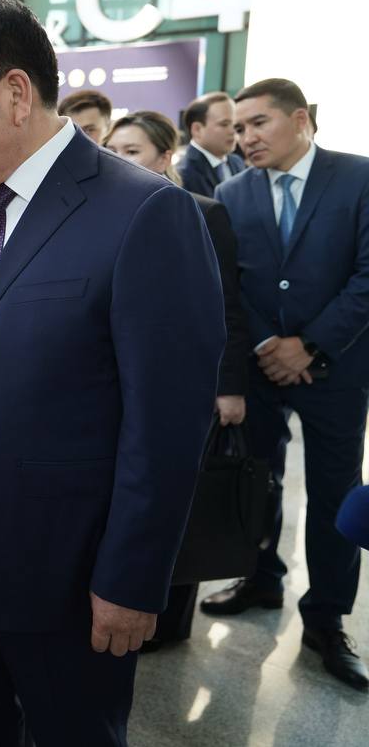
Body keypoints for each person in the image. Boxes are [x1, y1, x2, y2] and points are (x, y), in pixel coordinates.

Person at [0, 0, 224, 746]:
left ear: (15, 92)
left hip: (69, 583)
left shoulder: (145, 213)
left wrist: (132, 578)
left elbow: (166, 427)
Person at [206, 78, 369, 691]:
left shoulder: (358, 178)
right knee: (258, 482)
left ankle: (326, 619)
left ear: (300, 120)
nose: (245, 137)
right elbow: (231, 285)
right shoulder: (232, 192)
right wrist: (265, 347)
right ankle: (259, 578)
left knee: (333, 495)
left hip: (338, 368)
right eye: (238, 128)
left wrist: (310, 344)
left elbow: (367, 276)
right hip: (260, 369)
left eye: (258, 123)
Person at [103, 110, 252, 648]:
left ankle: (170, 619)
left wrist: (228, 386)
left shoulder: (203, 212)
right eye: (113, 150)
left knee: (181, 499)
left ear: (166, 156)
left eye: (133, 151)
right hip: (121, 384)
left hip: (187, 383)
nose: (119, 160)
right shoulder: (103, 213)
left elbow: (225, 308)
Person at [181, 91, 246, 196]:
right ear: (197, 129)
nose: (233, 131)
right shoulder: (183, 173)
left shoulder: (237, 162)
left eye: (235, 124)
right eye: (224, 124)